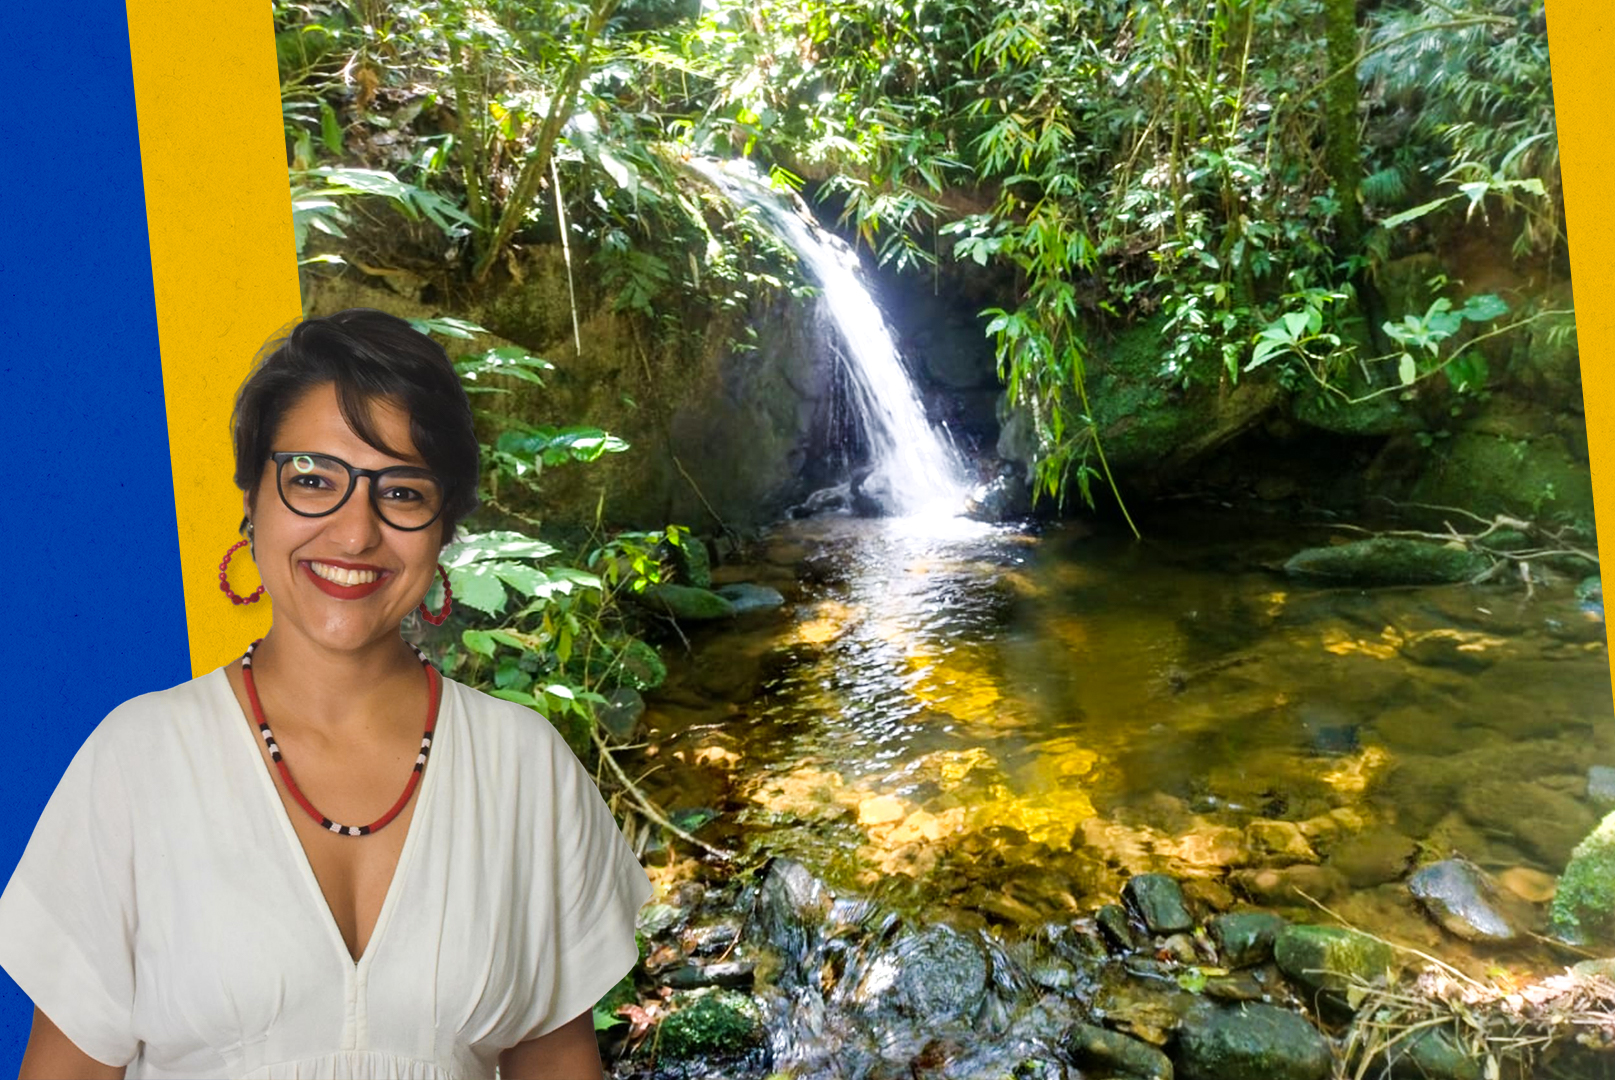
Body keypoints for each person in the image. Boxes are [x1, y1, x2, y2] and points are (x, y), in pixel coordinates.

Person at [0, 309, 653, 1079]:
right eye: (312, 480)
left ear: (444, 527)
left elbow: (554, 1064)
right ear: (252, 498)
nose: (353, 534)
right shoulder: (136, 761)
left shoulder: (524, 769)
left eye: (402, 493)